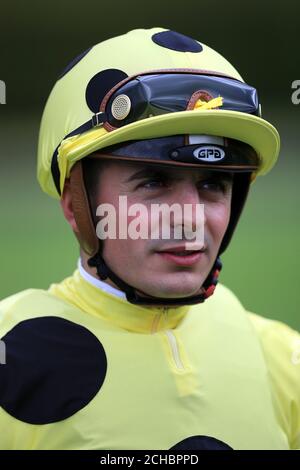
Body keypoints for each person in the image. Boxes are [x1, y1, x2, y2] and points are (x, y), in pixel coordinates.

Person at [0, 27, 299, 450]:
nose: (190, 218)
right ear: (76, 205)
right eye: (155, 181)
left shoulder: (282, 359)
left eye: (214, 184)